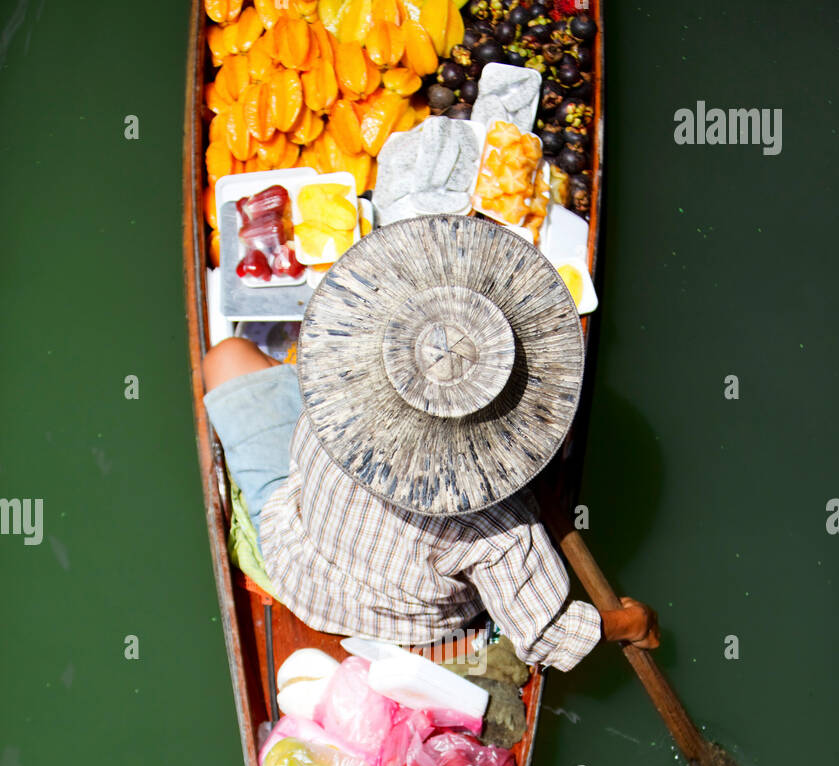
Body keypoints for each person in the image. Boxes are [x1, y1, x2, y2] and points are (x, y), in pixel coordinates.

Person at [202, 215, 659, 670]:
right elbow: (544, 637)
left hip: (295, 556)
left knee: (226, 358)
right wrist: (630, 623)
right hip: (396, 621)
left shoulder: (334, 389)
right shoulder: (501, 525)